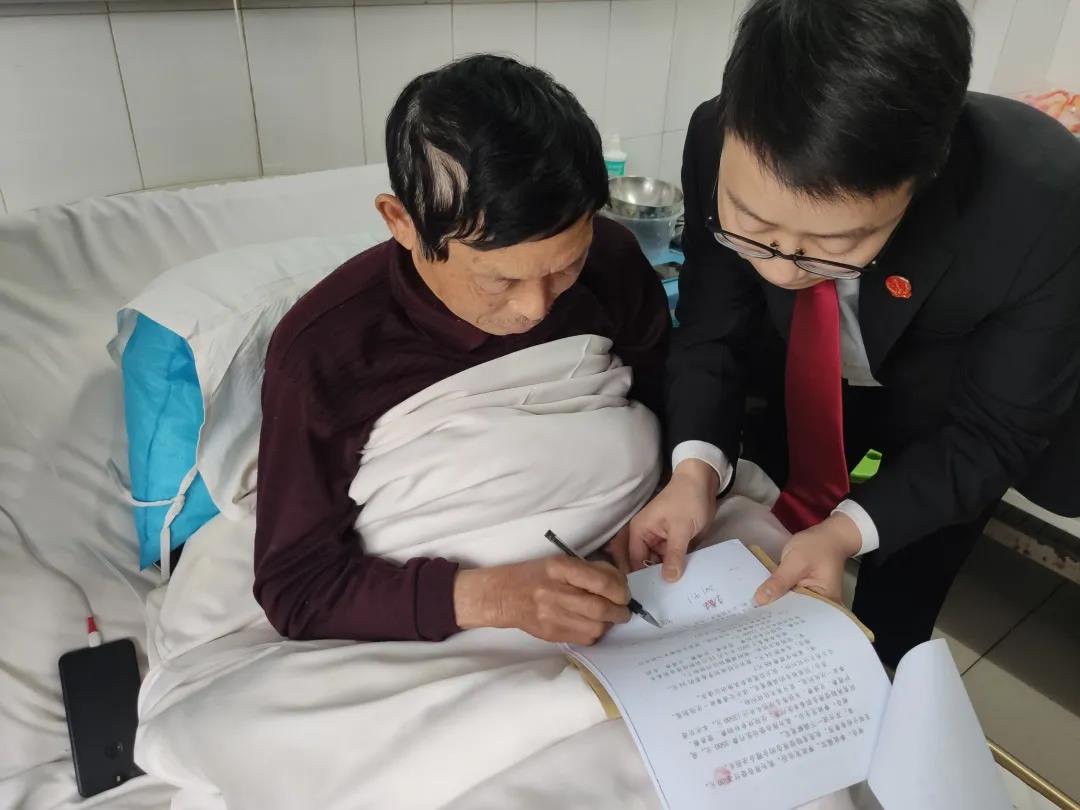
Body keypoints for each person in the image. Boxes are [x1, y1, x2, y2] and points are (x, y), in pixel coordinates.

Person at [629, 0, 1080, 667]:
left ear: (921, 182)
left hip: (944, 412)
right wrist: (694, 471)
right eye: (752, 227)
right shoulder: (714, 132)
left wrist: (847, 530)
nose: (782, 270)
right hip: (798, 379)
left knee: (901, 601)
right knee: (757, 538)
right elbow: (712, 326)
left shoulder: (1042, 202)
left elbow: (994, 431)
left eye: (834, 246)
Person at [253, 55, 670, 645]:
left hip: (633, 565)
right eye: (500, 280)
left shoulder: (612, 259)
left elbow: (671, 397)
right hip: (440, 617)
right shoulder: (323, 353)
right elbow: (296, 588)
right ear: (401, 221)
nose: (535, 308)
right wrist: (496, 597)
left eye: (565, 266)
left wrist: (655, 500)